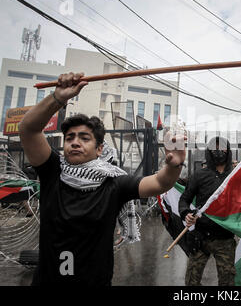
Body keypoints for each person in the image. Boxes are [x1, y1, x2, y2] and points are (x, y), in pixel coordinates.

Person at [19, 72, 186, 286]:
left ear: (99, 149)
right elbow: (29, 129)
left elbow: (160, 183)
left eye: (84, 138)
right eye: (70, 138)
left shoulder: (114, 182)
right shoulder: (53, 171)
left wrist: (174, 165)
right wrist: (58, 98)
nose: (75, 142)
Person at [179, 136, 236, 286]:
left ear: (228, 150)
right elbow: (184, 199)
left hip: (225, 239)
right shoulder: (199, 175)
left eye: (222, 147)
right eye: (214, 148)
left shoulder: (235, 176)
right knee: (191, 281)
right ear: (209, 151)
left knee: (227, 283)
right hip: (200, 238)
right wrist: (186, 214)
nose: (218, 151)